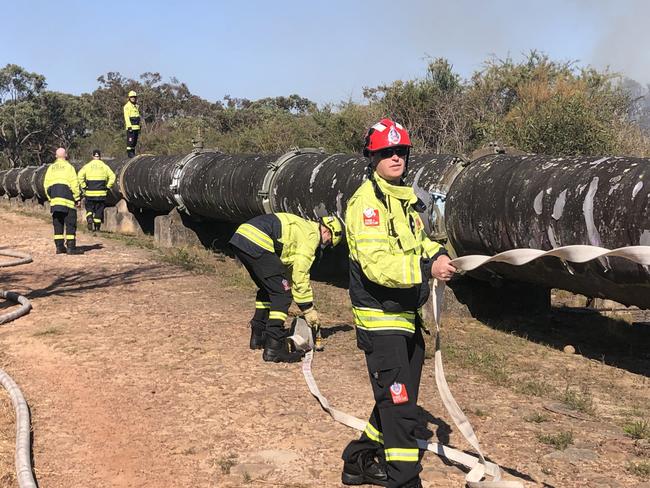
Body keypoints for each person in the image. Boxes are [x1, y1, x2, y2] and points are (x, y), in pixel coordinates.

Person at [341, 119, 456, 488]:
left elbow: (417, 243)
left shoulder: (403, 200)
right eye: (386, 151)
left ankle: (358, 461)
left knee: (395, 405)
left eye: (401, 151)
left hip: (407, 318)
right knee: (402, 410)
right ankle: (405, 480)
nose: (395, 157)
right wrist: (426, 269)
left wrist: (437, 253)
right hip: (381, 323)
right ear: (371, 156)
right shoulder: (366, 205)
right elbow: (377, 265)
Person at [229, 213, 344, 362]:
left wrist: (287, 283)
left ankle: (258, 336)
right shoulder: (311, 236)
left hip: (241, 237)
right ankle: (274, 347)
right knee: (282, 295)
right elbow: (300, 273)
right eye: (329, 242)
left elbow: (288, 268)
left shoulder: (303, 227)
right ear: (327, 231)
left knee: (269, 288)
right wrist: (307, 309)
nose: (326, 245)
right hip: (258, 241)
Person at [43, 148, 83, 255]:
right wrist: (77, 198)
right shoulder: (69, 167)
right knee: (70, 223)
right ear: (66, 155)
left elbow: (46, 185)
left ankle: (59, 247)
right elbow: (74, 184)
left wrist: (51, 198)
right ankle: (71, 247)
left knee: (58, 223)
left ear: (56, 156)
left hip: (55, 202)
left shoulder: (51, 168)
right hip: (68, 201)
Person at [78, 149, 116, 232]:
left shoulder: (87, 166)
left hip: (90, 193)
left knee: (89, 208)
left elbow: (80, 175)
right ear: (100, 156)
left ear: (92, 156)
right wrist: (107, 186)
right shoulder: (104, 166)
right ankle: (97, 228)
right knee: (99, 210)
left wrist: (84, 186)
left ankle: (89, 217)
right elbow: (113, 176)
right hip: (101, 193)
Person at [123, 90, 141, 157]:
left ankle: (133, 152)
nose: (133, 98)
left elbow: (137, 116)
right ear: (129, 98)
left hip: (136, 127)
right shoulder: (127, 106)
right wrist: (129, 126)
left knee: (134, 141)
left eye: (134, 97)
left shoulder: (136, 106)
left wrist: (139, 126)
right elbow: (126, 117)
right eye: (131, 97)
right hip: (131, 127)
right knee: (130, 141)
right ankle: (130, 153)